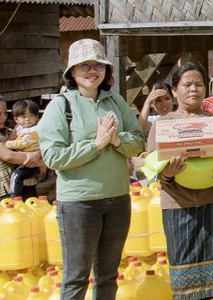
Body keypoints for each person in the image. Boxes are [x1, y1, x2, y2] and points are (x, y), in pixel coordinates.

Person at [38, 38, 145, 299]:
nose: (92, 71)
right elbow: (53, 157)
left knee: (108, 276)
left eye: (98, 65)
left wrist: (117, 140)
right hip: (78, 204)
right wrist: (96, 145)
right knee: (76, 277)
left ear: (106, 71)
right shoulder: (60, 106)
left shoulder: (115, 101)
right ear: (71, 72)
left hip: (118, 199)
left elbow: (138, 141)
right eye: (84, 65)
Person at [147, 61, 213, 300]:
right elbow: (155, 167)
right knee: (188, 285)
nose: (193, 88)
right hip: (180, 210)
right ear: (174, 90)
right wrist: (168, 173)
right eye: (187, 84)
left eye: (199, 84)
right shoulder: (162, 125)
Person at [0, 94, 44, 199]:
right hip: (7, 188)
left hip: (28, 182)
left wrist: (37, 153)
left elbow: (33, 145)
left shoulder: (11, 131)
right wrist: (41, 162)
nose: (3, 118)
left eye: (5, 113)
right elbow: (8, 156)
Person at [6, 99, 48, 198]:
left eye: (31, 116)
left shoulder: (33, 131)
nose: (27, 119)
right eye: (23, 117)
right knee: (19, 178)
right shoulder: (19, 128)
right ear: (16, 119)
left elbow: (22, 143)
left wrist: (7, 144)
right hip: (26, 161)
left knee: (17, 175)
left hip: (33, 163)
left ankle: (14, 196)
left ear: (37, 117)